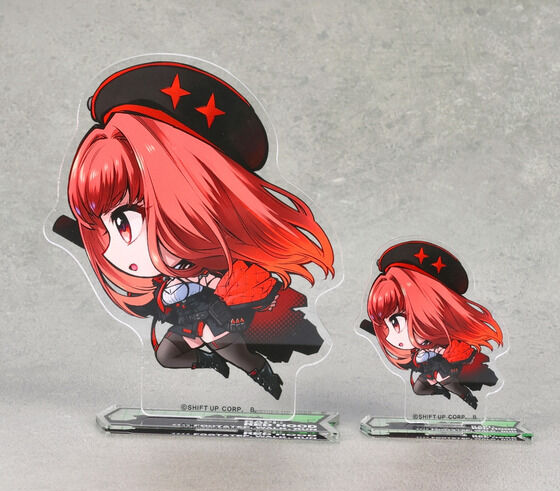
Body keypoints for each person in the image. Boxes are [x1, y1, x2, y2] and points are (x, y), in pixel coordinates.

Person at [55, 62, 335, 400]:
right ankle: (210, 363)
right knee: (166, 356)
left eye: (126, 221)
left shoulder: (215, 268)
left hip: (217, 319)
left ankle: (260, 372)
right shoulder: (166, 281)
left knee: (232, 350)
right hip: (189, 321)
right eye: (109, 224)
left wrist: (228, 294)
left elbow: (243, 288)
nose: (112, 249)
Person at [362, 241, 502, 409]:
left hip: (446, 369)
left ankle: (466, 396)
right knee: (419, 388)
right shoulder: (417, 352)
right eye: (387, 324)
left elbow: (462, 354)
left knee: (448, 382)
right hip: (429, 370)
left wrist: (449, 358)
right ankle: (441, 392)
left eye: (396, 321)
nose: (391, 335)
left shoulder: (446, 346)